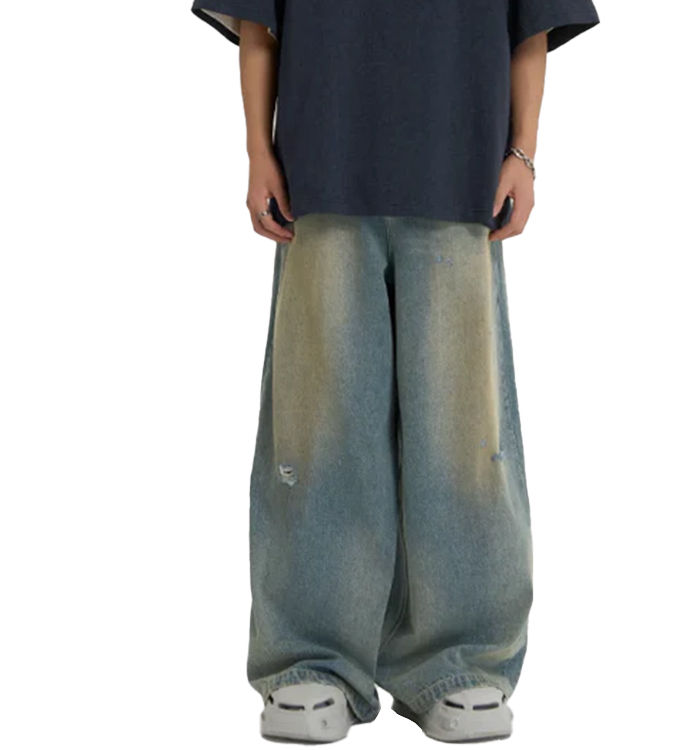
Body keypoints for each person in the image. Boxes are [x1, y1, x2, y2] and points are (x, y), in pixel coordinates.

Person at [190, 1, 599, 742]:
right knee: (318, 427)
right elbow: (257, 21)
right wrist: (256, 150)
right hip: (321, 170)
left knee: (464, 434)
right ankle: (310, 660)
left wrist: (525, 152)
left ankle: (462, 662)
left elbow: (531, 22)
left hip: (461, 174)